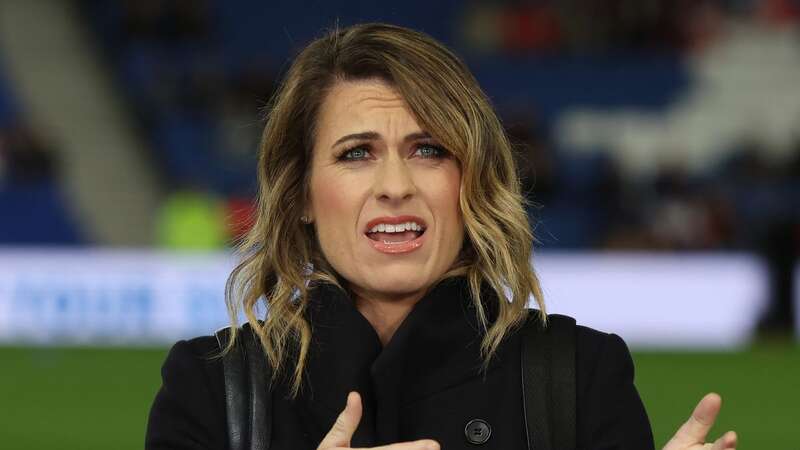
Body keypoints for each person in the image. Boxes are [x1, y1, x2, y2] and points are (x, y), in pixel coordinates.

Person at [145, 23, 738, 450]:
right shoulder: (211, 388)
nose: (395, 185)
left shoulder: (581, 376)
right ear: (300, 192)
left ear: (472, 179)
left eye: (429, 150)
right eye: (356, 154)